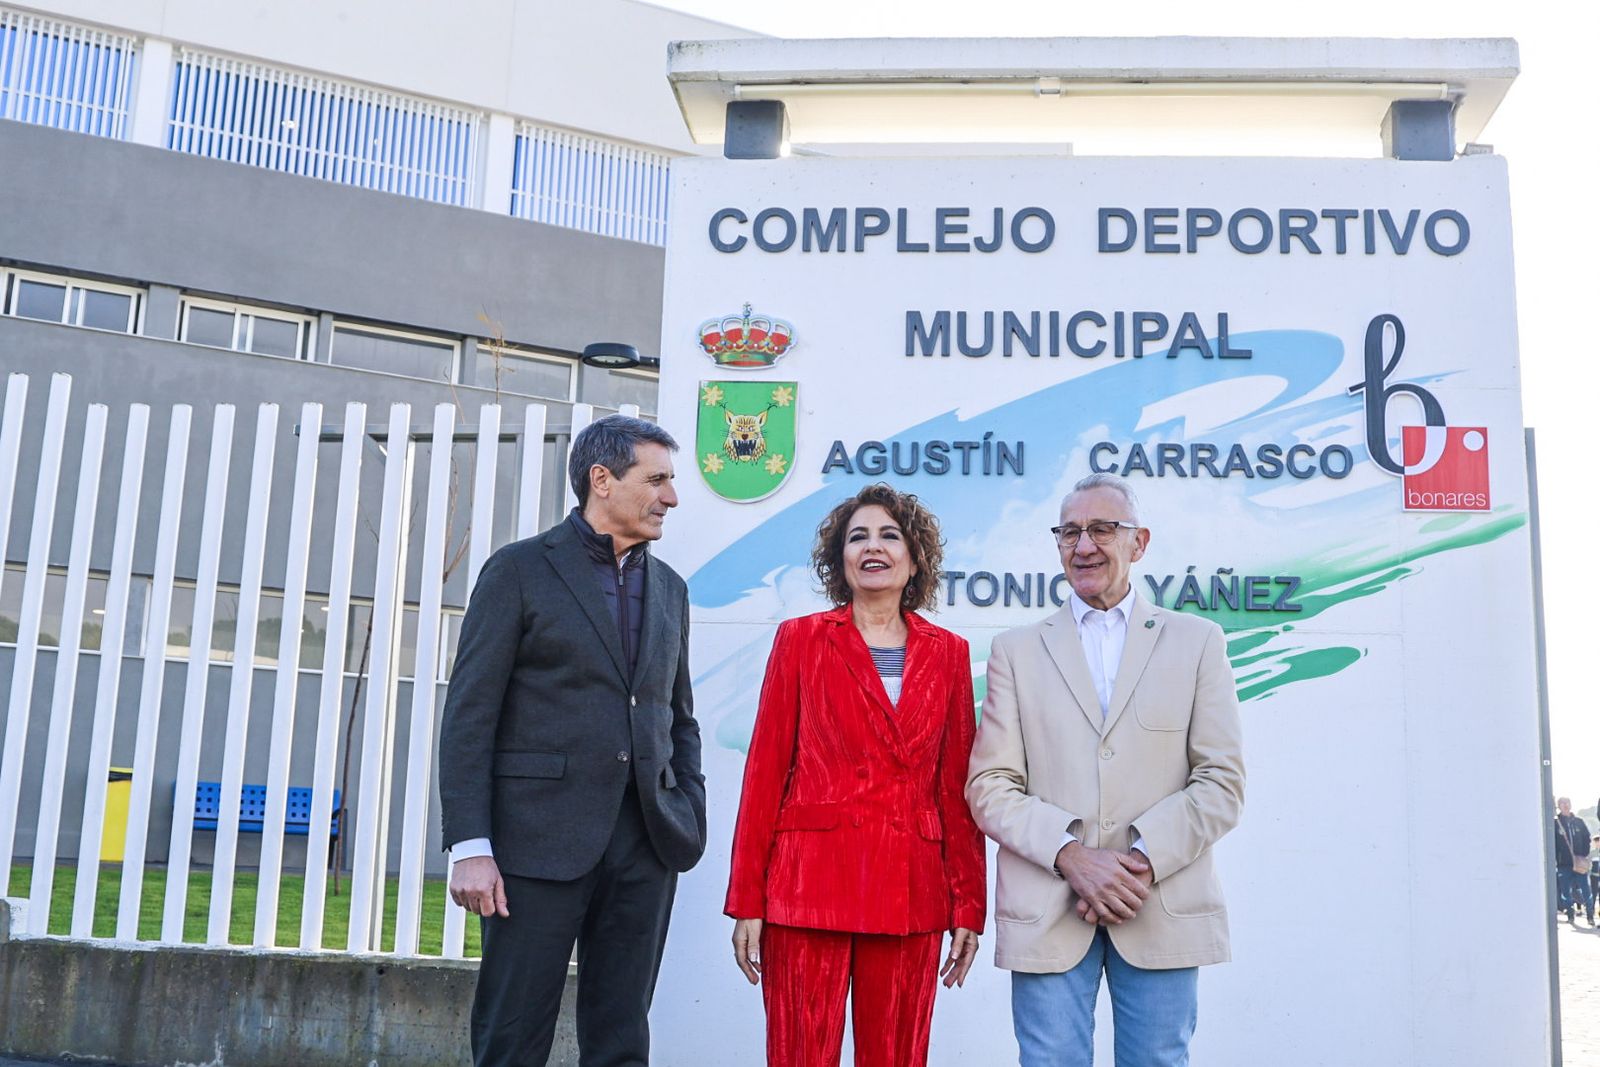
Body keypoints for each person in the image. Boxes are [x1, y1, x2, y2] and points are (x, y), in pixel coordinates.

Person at [438, 414, 706, 1067]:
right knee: (512, 1034)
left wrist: (687, 806)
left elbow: (679, 717)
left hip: (645, 844)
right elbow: (470, 714)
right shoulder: (519, 570)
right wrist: (471, 846)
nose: (671, 496)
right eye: (658, 479)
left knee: (621, 1040)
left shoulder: (670, 589)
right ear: (602, 479)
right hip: (534, 848)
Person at [967, 472, 1245, 1067]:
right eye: (1069, 532)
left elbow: (1221, 782)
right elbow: (989, 786)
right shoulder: (1015, 651)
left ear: (1139, 543)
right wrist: (1073, 857)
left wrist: (1135, 866)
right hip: (1048, 904)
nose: (1083, 545)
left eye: (1101, 529)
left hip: (1160, 902)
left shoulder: (1198, 642)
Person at [725, 482, 987, 1067]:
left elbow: (955, 790)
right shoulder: (800, 641)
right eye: (858, 536)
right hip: (806, 892)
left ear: (914, 556)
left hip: (910, 895)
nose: (874, 547)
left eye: (890, 536)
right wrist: (747, 900)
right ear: (839, 558)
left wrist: (968, 904)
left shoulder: (948, 654)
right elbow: (765, 775)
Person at [1554, 797, 1593, 926]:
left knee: (1586, 890)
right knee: (1566, 892)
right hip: (1563, 865)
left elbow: (1587, 838)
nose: (1565, 805)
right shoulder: (1556, 823)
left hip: (1580, 863)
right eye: (1562, 803)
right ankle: (1570, 915)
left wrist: (1584, 855)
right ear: (1558, 806)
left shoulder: (1579, 822)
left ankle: (1590, 916)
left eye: (1567, 803)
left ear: (1571, 805)